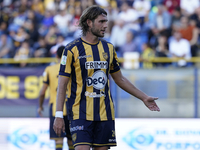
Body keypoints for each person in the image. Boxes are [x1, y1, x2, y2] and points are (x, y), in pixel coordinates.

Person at [53, 5, 160, 150]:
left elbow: (119, 79)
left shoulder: (109, 48)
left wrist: (143, 97)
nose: (105, 25)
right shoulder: (71, 49)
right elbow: (62, 84)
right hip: (80, 114)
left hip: (105, 114)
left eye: (106, 21)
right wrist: (59, 115)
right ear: (89, 22)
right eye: (101, 22)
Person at [38, 45, 74, 150]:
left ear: (57, 56)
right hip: (71, 107)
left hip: (56, 108)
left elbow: (42, 92)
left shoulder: (50, 69)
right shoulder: (73, 68)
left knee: (58, 140)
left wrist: (40, 106)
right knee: (72, 140)